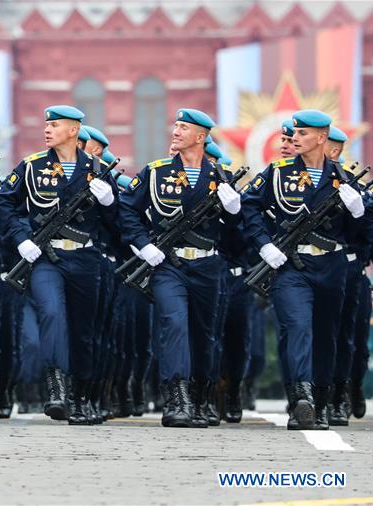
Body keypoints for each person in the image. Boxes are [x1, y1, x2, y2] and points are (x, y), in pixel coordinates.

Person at [119, 108, 242, 429]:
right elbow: (127, 211)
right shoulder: (156, 172)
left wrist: (233, 210)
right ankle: (177, 399)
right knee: (173, 323)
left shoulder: (220, 177)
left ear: (201, 137)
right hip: (168, 264)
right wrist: (143, 245)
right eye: (175, 125)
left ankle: (201, 398)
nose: (175, 131)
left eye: (183, 127)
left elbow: (237, 232)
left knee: (205, 334)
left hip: (207, 264)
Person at [241, 109, 364, 430]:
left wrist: (359, 210)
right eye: (294, 133)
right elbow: (250, 205)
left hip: (331, 265)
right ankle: (302, 400)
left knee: (326, 334)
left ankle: (321, 401)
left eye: (303, 133)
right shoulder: (278, 171)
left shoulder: (343, 178)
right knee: (297, 327)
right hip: (290, 266)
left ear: (322, 138)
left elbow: (362, 232)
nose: (295, 138)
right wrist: (264, 244)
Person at [0, 105, 118, 425]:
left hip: (85, 257)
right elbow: (6, 204)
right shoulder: (32, 166)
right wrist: (21, 238)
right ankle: (56, 385)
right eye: (47, 124)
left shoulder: (96, 170)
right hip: (45, 257)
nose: (48, 129)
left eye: (56, 125)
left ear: (74, 131)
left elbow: (117, 222)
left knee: (84, 329)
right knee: (51, 312)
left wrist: (109, 202)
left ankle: (82, 397)